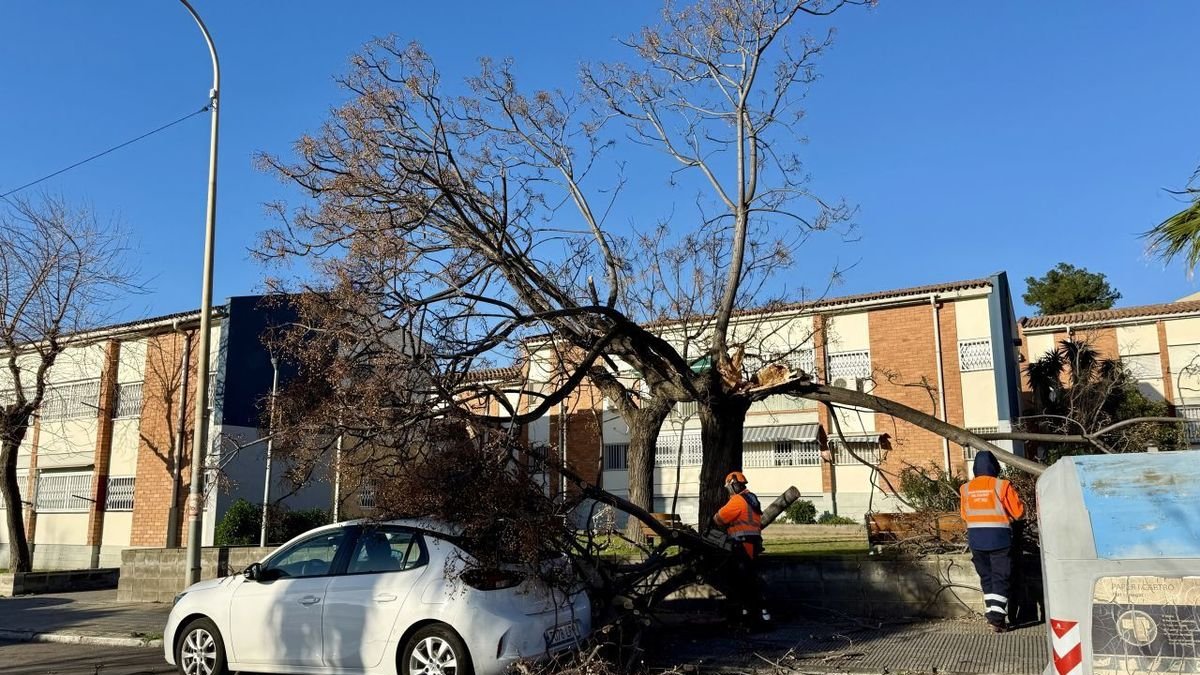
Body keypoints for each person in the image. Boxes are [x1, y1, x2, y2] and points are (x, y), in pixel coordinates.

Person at [959, 450, 1026, 632]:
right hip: (999, 539)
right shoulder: (1002, 486)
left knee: (987, 578)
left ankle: (992, 616)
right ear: (995, 467)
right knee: (1001, 578)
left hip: (976, 539)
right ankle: (996, 620)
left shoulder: (965, 488)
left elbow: (965, 514)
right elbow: (1018, 512)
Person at [711, 471, 770, 625]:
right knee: (751, 580)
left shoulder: (737, 500)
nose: (728, 491)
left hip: (742, 545)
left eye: (728, 488)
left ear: (733, 485)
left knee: (742, 582)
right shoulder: (752, 498)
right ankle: (759, 615)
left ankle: (747, 617)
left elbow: (719, 518)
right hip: (753, 544)